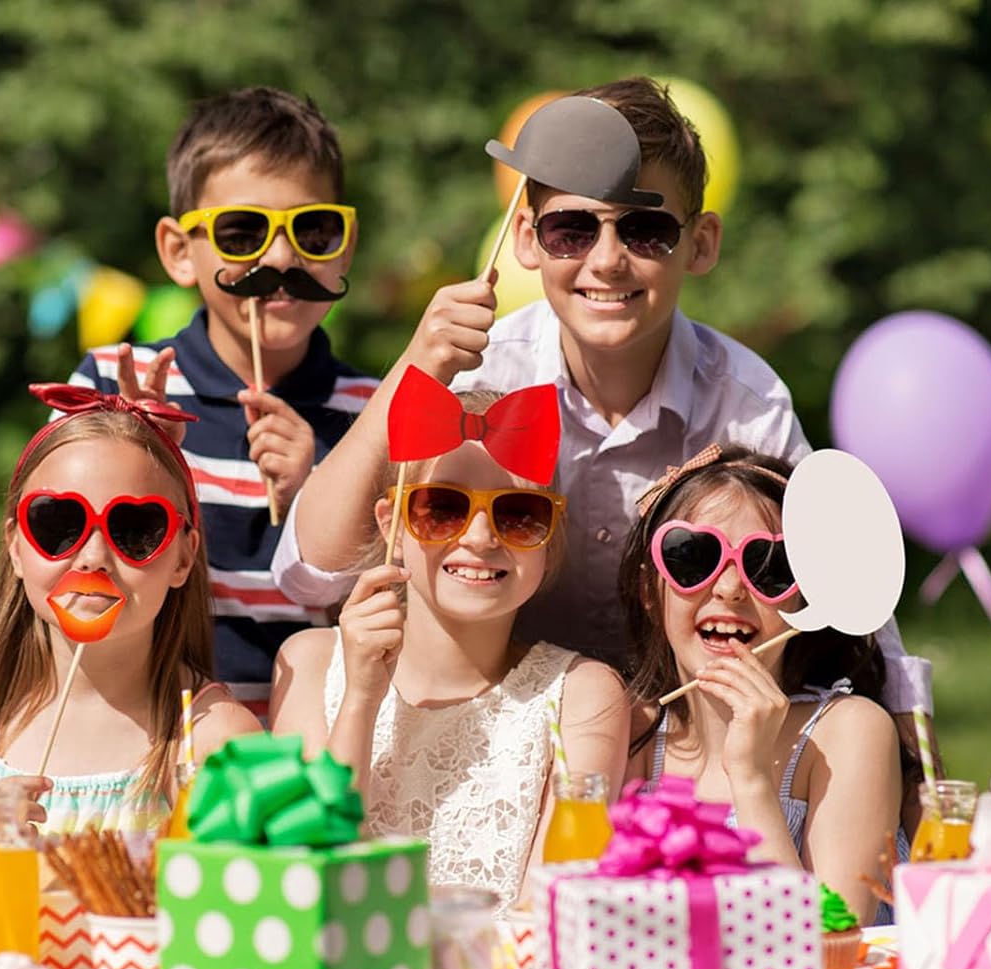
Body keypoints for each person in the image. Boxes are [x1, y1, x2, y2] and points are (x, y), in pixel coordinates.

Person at [272, 76, 934, 825]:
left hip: (664, 750)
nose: (608, 259)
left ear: (702, 242)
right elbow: (310, 571)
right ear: (527, 239)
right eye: (572, 229)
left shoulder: (745, 405)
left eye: (645, 230)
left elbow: (847, 596)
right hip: (502, 734)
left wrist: (916, 777)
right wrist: (410, 372)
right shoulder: (480, 372)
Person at [0, 387, 260, 921]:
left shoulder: (211, 738)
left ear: (183, 557)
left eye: (135, 529)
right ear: (16, 547)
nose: (92, 557)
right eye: (58, 523)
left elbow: (244, 917)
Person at [70, 87, 375, 719]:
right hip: (155, 729)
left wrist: (315, 496)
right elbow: (64, 568)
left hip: (311, 743)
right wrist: (139, 461)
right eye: (243, 232)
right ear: (179, 252)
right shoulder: (108, 382)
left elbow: (392, 612)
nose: (282, 257)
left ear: (344, 245)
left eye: (313, 230)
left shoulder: (373, 415)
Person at [270, 389, 631, 912]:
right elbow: (304, 882)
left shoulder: (583, 696)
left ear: (551, 539)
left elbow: (552, 913)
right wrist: (360, 701)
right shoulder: (308, 664)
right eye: (441, 509)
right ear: (391, 526)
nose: (481, 538)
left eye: (519, 515)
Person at [622, 445, 903, 923]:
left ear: (804, 598)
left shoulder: (848, 734)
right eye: (693, 556)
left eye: (768, 567)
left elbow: (831, 938)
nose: (730, 589)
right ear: (651, 590)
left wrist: (751, 777)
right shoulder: (631, 733)